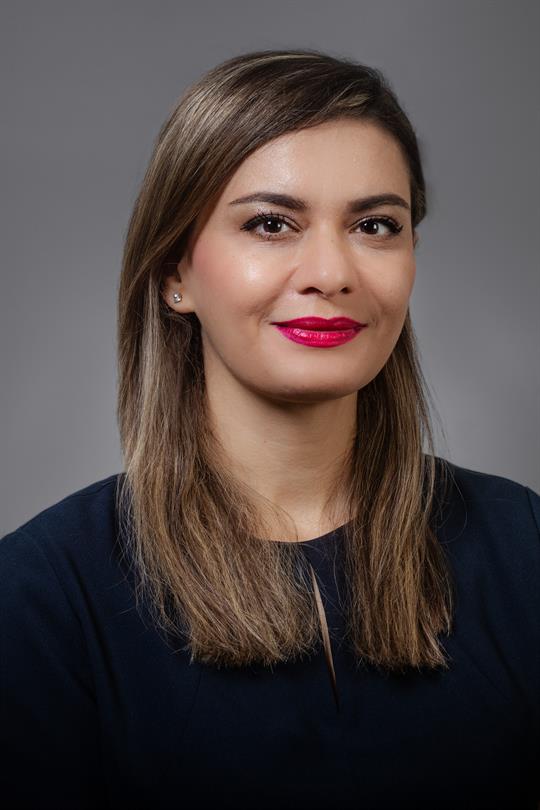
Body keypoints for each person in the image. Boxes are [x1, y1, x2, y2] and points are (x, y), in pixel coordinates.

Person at [1, 48, 538, 810]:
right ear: (174, 275)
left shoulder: (523, 544)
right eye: (271, 223)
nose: (332, 271)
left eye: (376, 224)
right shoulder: (40, 598)